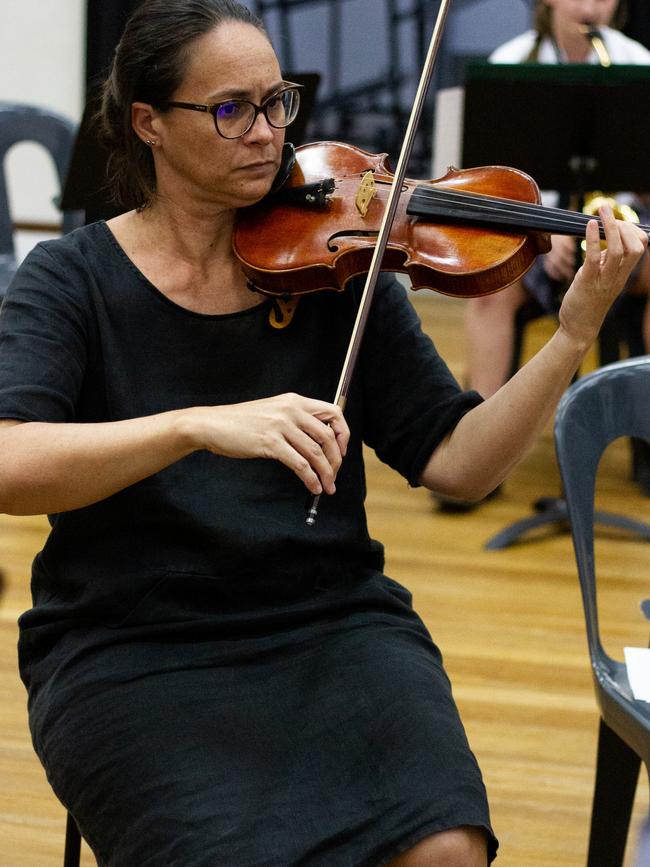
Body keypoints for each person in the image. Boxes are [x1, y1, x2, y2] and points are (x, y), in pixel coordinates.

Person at [0, 1, 645, 864]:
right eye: (233, 110)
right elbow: (9, 461)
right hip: (131, 641)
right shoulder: (72, 279)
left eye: (279, 103)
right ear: (148, 123)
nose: (268, 134)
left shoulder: (341, 262)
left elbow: (459, 464)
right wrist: (196, 425)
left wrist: (572, 334)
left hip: (328, 619)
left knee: (447, 848)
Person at [458, 0, 650, 509]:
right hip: (539, 237)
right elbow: (489, 186)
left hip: (620, 235)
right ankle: (475, 450)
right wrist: (547, 229)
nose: (590, 7)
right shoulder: (510, 66)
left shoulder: (639, 65)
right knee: (489, 292)